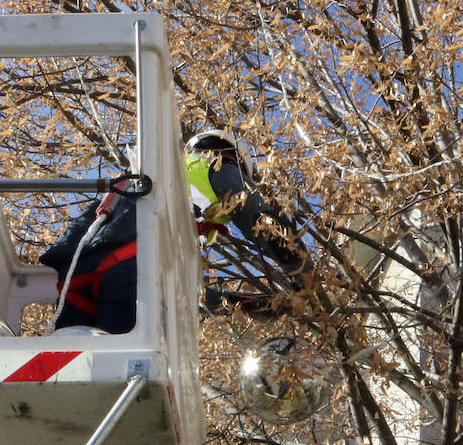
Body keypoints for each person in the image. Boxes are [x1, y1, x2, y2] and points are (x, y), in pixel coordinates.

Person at [39, 129, 312, 334]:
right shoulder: (214, 165)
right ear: (230, 156)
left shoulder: (142, 179)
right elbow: (260, 218)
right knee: (125, 378)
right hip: (133, 273)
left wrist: (242, 304)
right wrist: (302, 270)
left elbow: (179, 294)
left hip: (78, 281)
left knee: (81, 368)